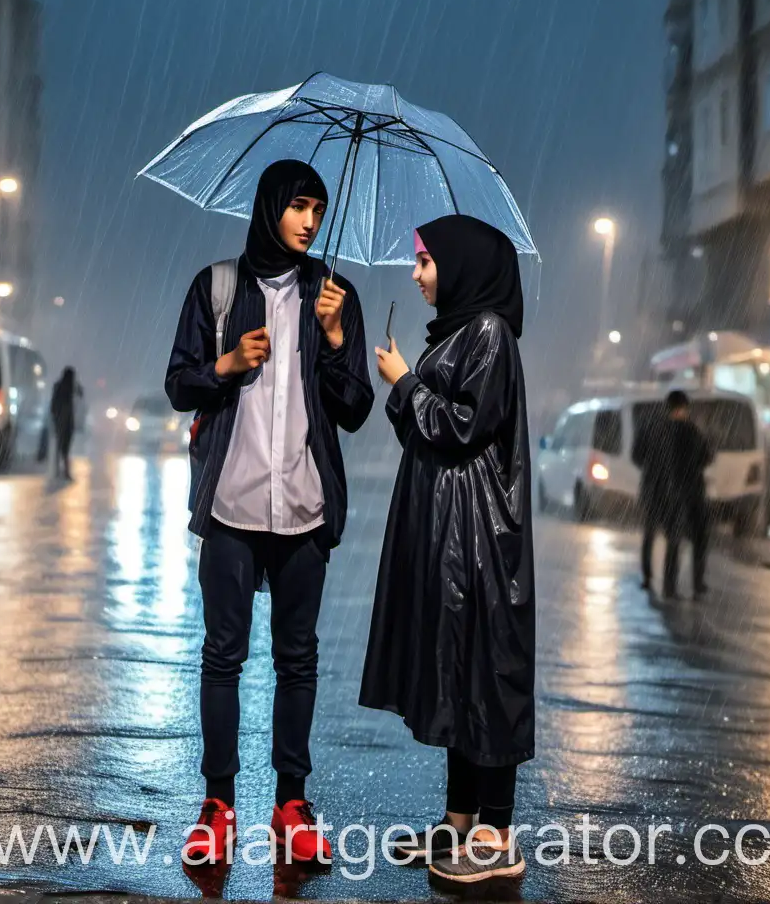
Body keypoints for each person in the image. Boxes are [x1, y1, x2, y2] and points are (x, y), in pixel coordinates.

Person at [165, 160, 374, 868]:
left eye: (319, 208)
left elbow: (355, 410)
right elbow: (177, 384)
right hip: (232, 503)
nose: (311, 220)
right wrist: (223, 367)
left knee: (298, 659)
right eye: (299, 206)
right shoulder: (218, 286)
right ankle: (217, 805)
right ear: (270, 208)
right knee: (223, 657)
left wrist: (339, 341)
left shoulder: (333, 294)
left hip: (305, 508)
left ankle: (292, 801)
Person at [360, 215, 535, 886]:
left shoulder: (488, 333)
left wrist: (406, 381)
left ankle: (495, 834)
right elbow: (428, 433)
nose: (417, 273)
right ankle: (458, 821)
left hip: (481, 540)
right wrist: (406, 385)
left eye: (427, 262)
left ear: (461, 266)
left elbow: (460, 427)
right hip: (453, 535)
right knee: (460, 676)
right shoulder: (461, 334)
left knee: (487, 677)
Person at [632, 389, 713, 599]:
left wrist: (653, 471)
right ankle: (687, 585)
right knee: (683, 537)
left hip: (655, 489)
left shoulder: (652, 428)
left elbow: (637, 456)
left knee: (652, 534)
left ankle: (650, 578)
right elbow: (706, 457)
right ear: (684, 408)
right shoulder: (691, 430)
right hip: (685, 491)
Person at [50, 366, 81, 480]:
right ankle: (64, 471)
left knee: (61, 446)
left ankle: (59, 470)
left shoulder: (60, 386)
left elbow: (53, 404)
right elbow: (80, 393)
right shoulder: (68, 387)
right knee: (65, 447)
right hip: (66, 420)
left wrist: (55, 416)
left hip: (62, 420)